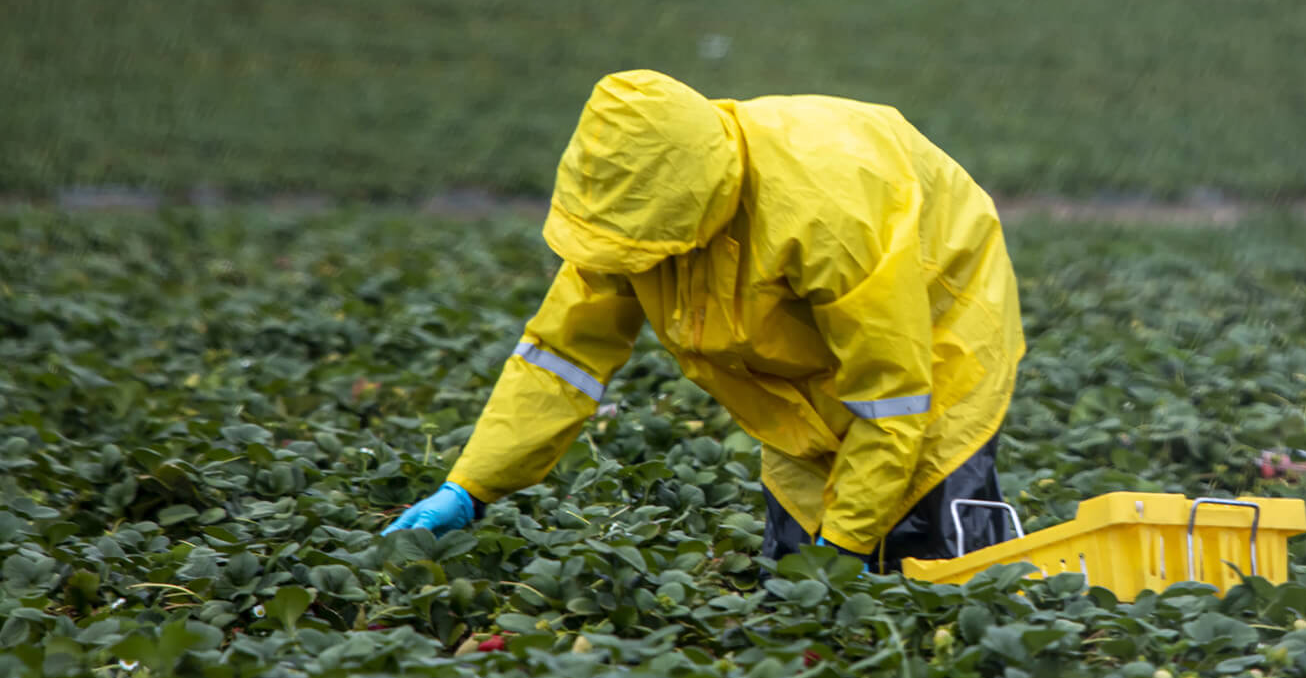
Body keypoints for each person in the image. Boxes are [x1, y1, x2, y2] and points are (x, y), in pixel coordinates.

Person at [382, 71, 1025, 572]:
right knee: (805, 547)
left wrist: (846, 548)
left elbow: (893, 397)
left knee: (927, 533)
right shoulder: (627, 216)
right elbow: (561, 361)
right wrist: (469, 487)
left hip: (941, 312)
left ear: (690, 209)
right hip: (805, 357)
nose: (630, 266)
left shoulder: (826, 213)